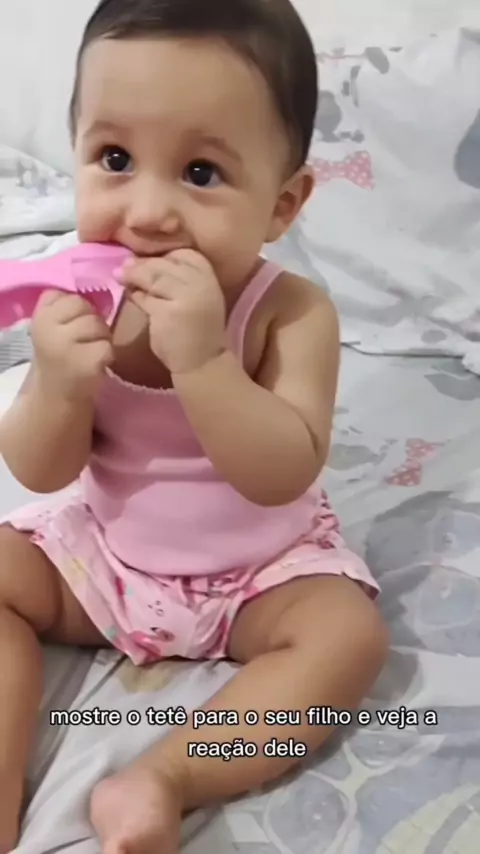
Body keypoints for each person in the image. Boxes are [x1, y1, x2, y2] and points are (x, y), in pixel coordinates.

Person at [0, 0, 388, 851]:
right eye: (114, 159)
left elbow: (283, 471)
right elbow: (39, 470)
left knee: (347, 641)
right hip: (106, 562)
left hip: (259, 577)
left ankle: (170, 775)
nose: (147, 212)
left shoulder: (292, 314)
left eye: (201, 173)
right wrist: (57, 384)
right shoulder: (80, 303)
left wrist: (207, 364)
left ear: (281, 204)